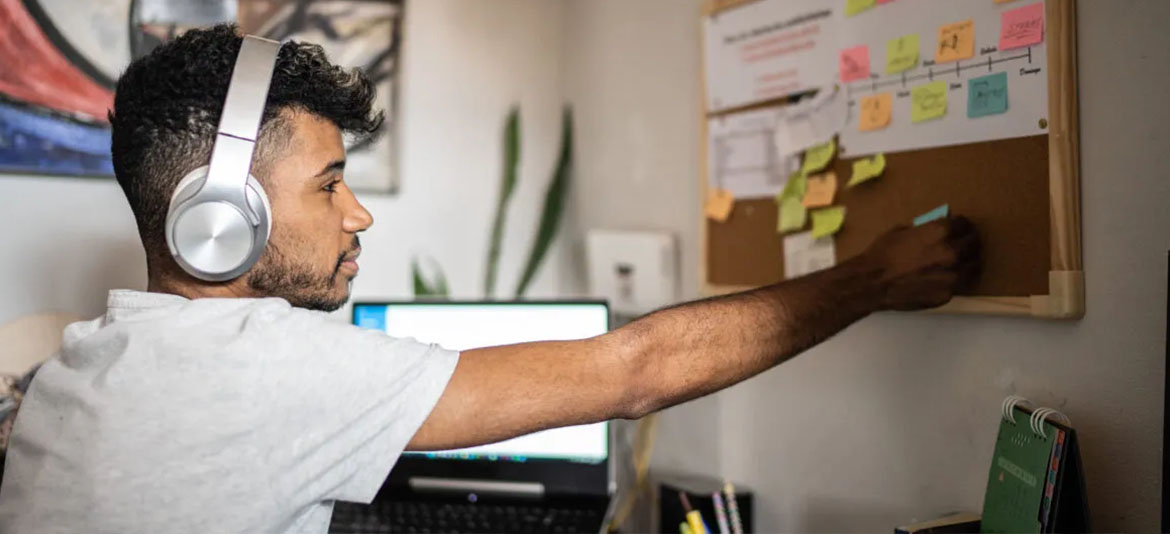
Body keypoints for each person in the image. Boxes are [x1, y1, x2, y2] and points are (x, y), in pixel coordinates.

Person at [0, 25, 979, 534]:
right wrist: (873, 279)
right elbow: (633, 374)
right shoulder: (255, 367)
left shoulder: (84, 364)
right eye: (331, 183)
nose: (358, 214)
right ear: (220, 219)